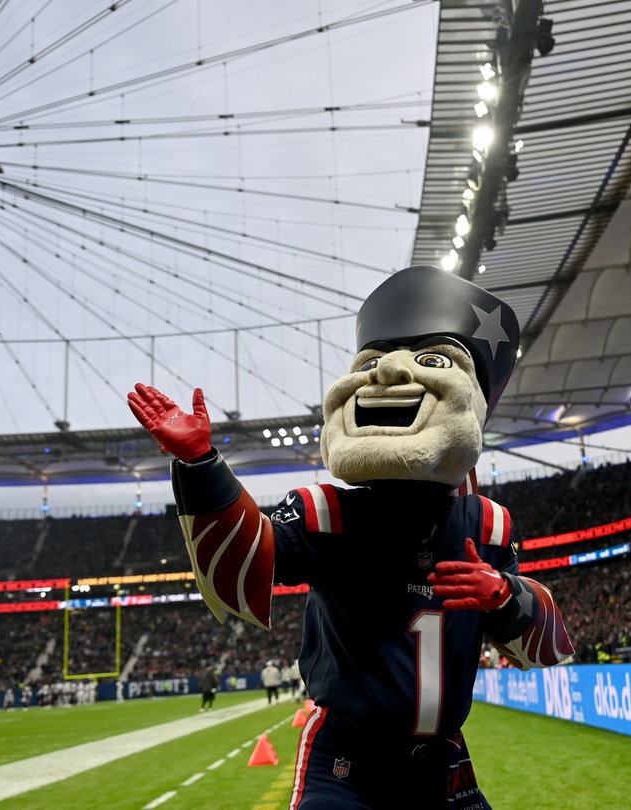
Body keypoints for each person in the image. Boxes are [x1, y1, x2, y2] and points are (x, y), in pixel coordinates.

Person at [129, 265, 573, 809]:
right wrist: (202, 465)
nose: (389, 376)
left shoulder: (489, 525)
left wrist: (504, 595)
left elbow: (547, 650)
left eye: (432, 359)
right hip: (346, 762)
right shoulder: (327, 512)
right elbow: (245, 571)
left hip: (442, 761)